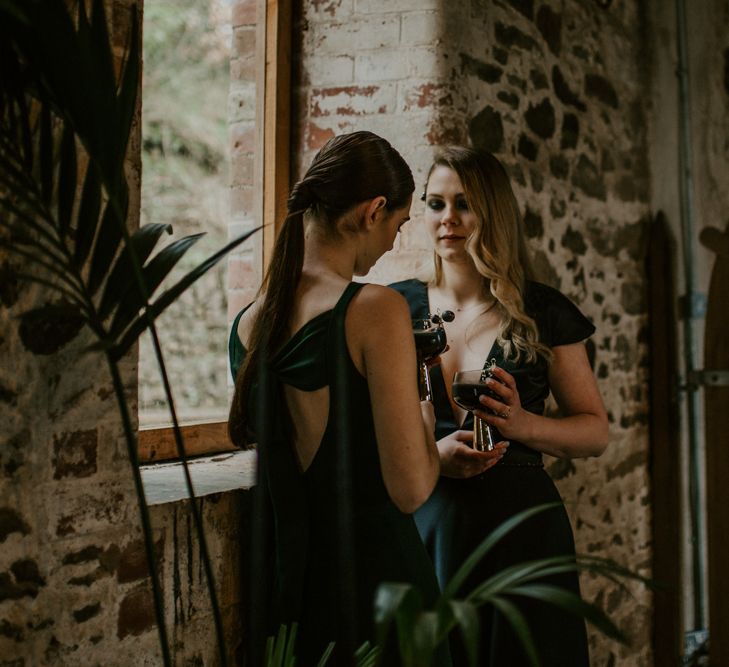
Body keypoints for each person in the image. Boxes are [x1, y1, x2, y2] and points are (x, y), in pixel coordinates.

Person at [227, 131, 451, 666]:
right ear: (373, 211)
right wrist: (422, 383)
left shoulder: (247, 323)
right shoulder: (375, 309)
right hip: (378, 592)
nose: (394, 244)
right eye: (398, 227)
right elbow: (411, 490)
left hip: (290, 594)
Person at [391, 146, 608, 666]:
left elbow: (595, 432)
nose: (448, 220)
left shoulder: (544, 311)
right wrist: (429, 458)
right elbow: (367, 431)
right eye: (436, 204)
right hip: (430, 527)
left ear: (494, 213)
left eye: (465, 204)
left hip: (523, 532)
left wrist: (524, 423)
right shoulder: (392, 308)